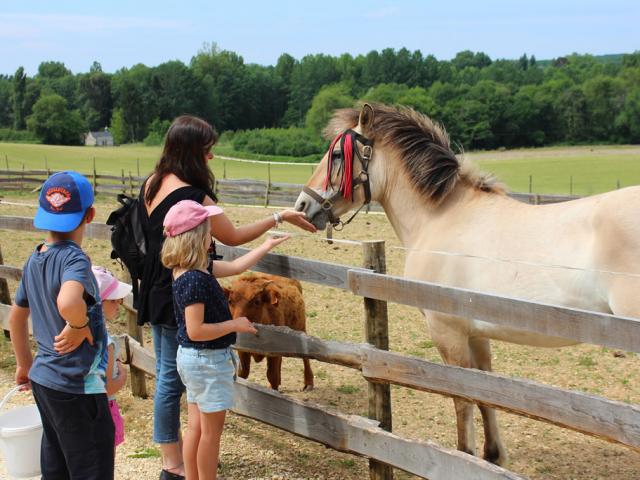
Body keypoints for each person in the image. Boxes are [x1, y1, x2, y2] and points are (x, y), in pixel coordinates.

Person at [136, 114, 316, 480]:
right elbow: (232, 237)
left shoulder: (152, 183)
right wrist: (277, 217)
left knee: (169, 379)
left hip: (158, 287)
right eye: (207, 150)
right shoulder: (193, 196)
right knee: (189, 393)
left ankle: (173, 461)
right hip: (185, 300)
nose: (211, 157)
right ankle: (187, 467)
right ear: (191, 151)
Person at [161, 199, 289, 480]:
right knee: (211, 434)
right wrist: (235, 323)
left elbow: (234, 267)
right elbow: (196, 330)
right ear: (198, 238)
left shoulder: (192, 268)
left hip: (193, 359)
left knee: (196, 428)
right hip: (206, 360)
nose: (213, 235)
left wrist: (265, 246)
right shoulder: (195, 279)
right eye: (209, 231)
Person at [8, 171, 114, 480]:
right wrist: (78, 324)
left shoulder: (34, 258)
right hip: (77, 387)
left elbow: (15, 319)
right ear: (90, 215)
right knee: (90, 466)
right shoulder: (75, 259)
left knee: (56, 467)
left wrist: (25, 365)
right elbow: (68, 302)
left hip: (45, 380)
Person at [92, 265, 131, 449]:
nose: (119, 304)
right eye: (114, 300)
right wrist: (123, 376)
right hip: (103, 409)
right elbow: (106, 388)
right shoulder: (107, 343)